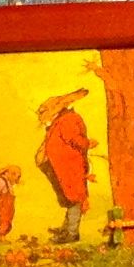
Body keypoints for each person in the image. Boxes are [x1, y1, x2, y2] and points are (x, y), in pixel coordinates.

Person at [34, 88, 95, 245]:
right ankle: (66, 228)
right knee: (69, 197)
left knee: (74, 198)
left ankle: (71, 233)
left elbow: (74, 139)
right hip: (62, 166)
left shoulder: (68, 120)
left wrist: (88, 143)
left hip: (70, 167)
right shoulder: (60, 121)